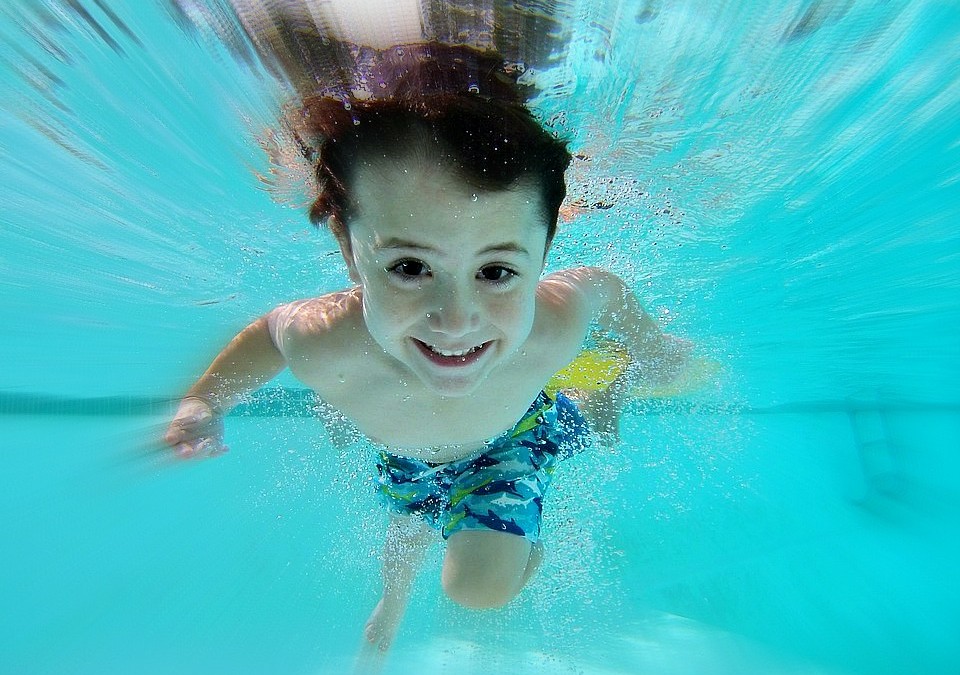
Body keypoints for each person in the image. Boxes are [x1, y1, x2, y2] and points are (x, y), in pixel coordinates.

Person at [164, 43, 693, 655]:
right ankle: (390, 605)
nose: (456, 321)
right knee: (410, 523)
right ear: (348, 249)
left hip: (513, 442)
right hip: (410, 455)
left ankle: (599, 392)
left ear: (543, 256)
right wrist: (204, 402)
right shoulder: (323, 338)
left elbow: (602, 289)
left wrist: (653, 348)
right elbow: (267, 335)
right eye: (411, 267)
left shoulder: (551, 326)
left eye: (496, 272)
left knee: (479, 588)